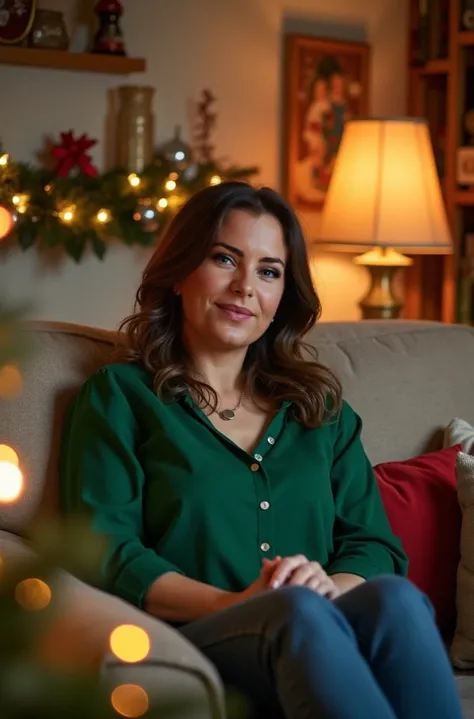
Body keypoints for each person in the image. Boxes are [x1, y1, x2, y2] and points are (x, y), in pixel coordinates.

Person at [60, 181, 462, 719]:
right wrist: (243, 602)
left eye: (269, 271)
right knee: (294, 612)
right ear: (180, 273)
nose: (245, 286)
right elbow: (107, 553)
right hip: (195, 637)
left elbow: (373, 544)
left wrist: (326, 586)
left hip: (319, 622)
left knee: (398, 599)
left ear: (281, 297)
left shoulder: (318, 409)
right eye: (225, 259)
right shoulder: (120, 397)